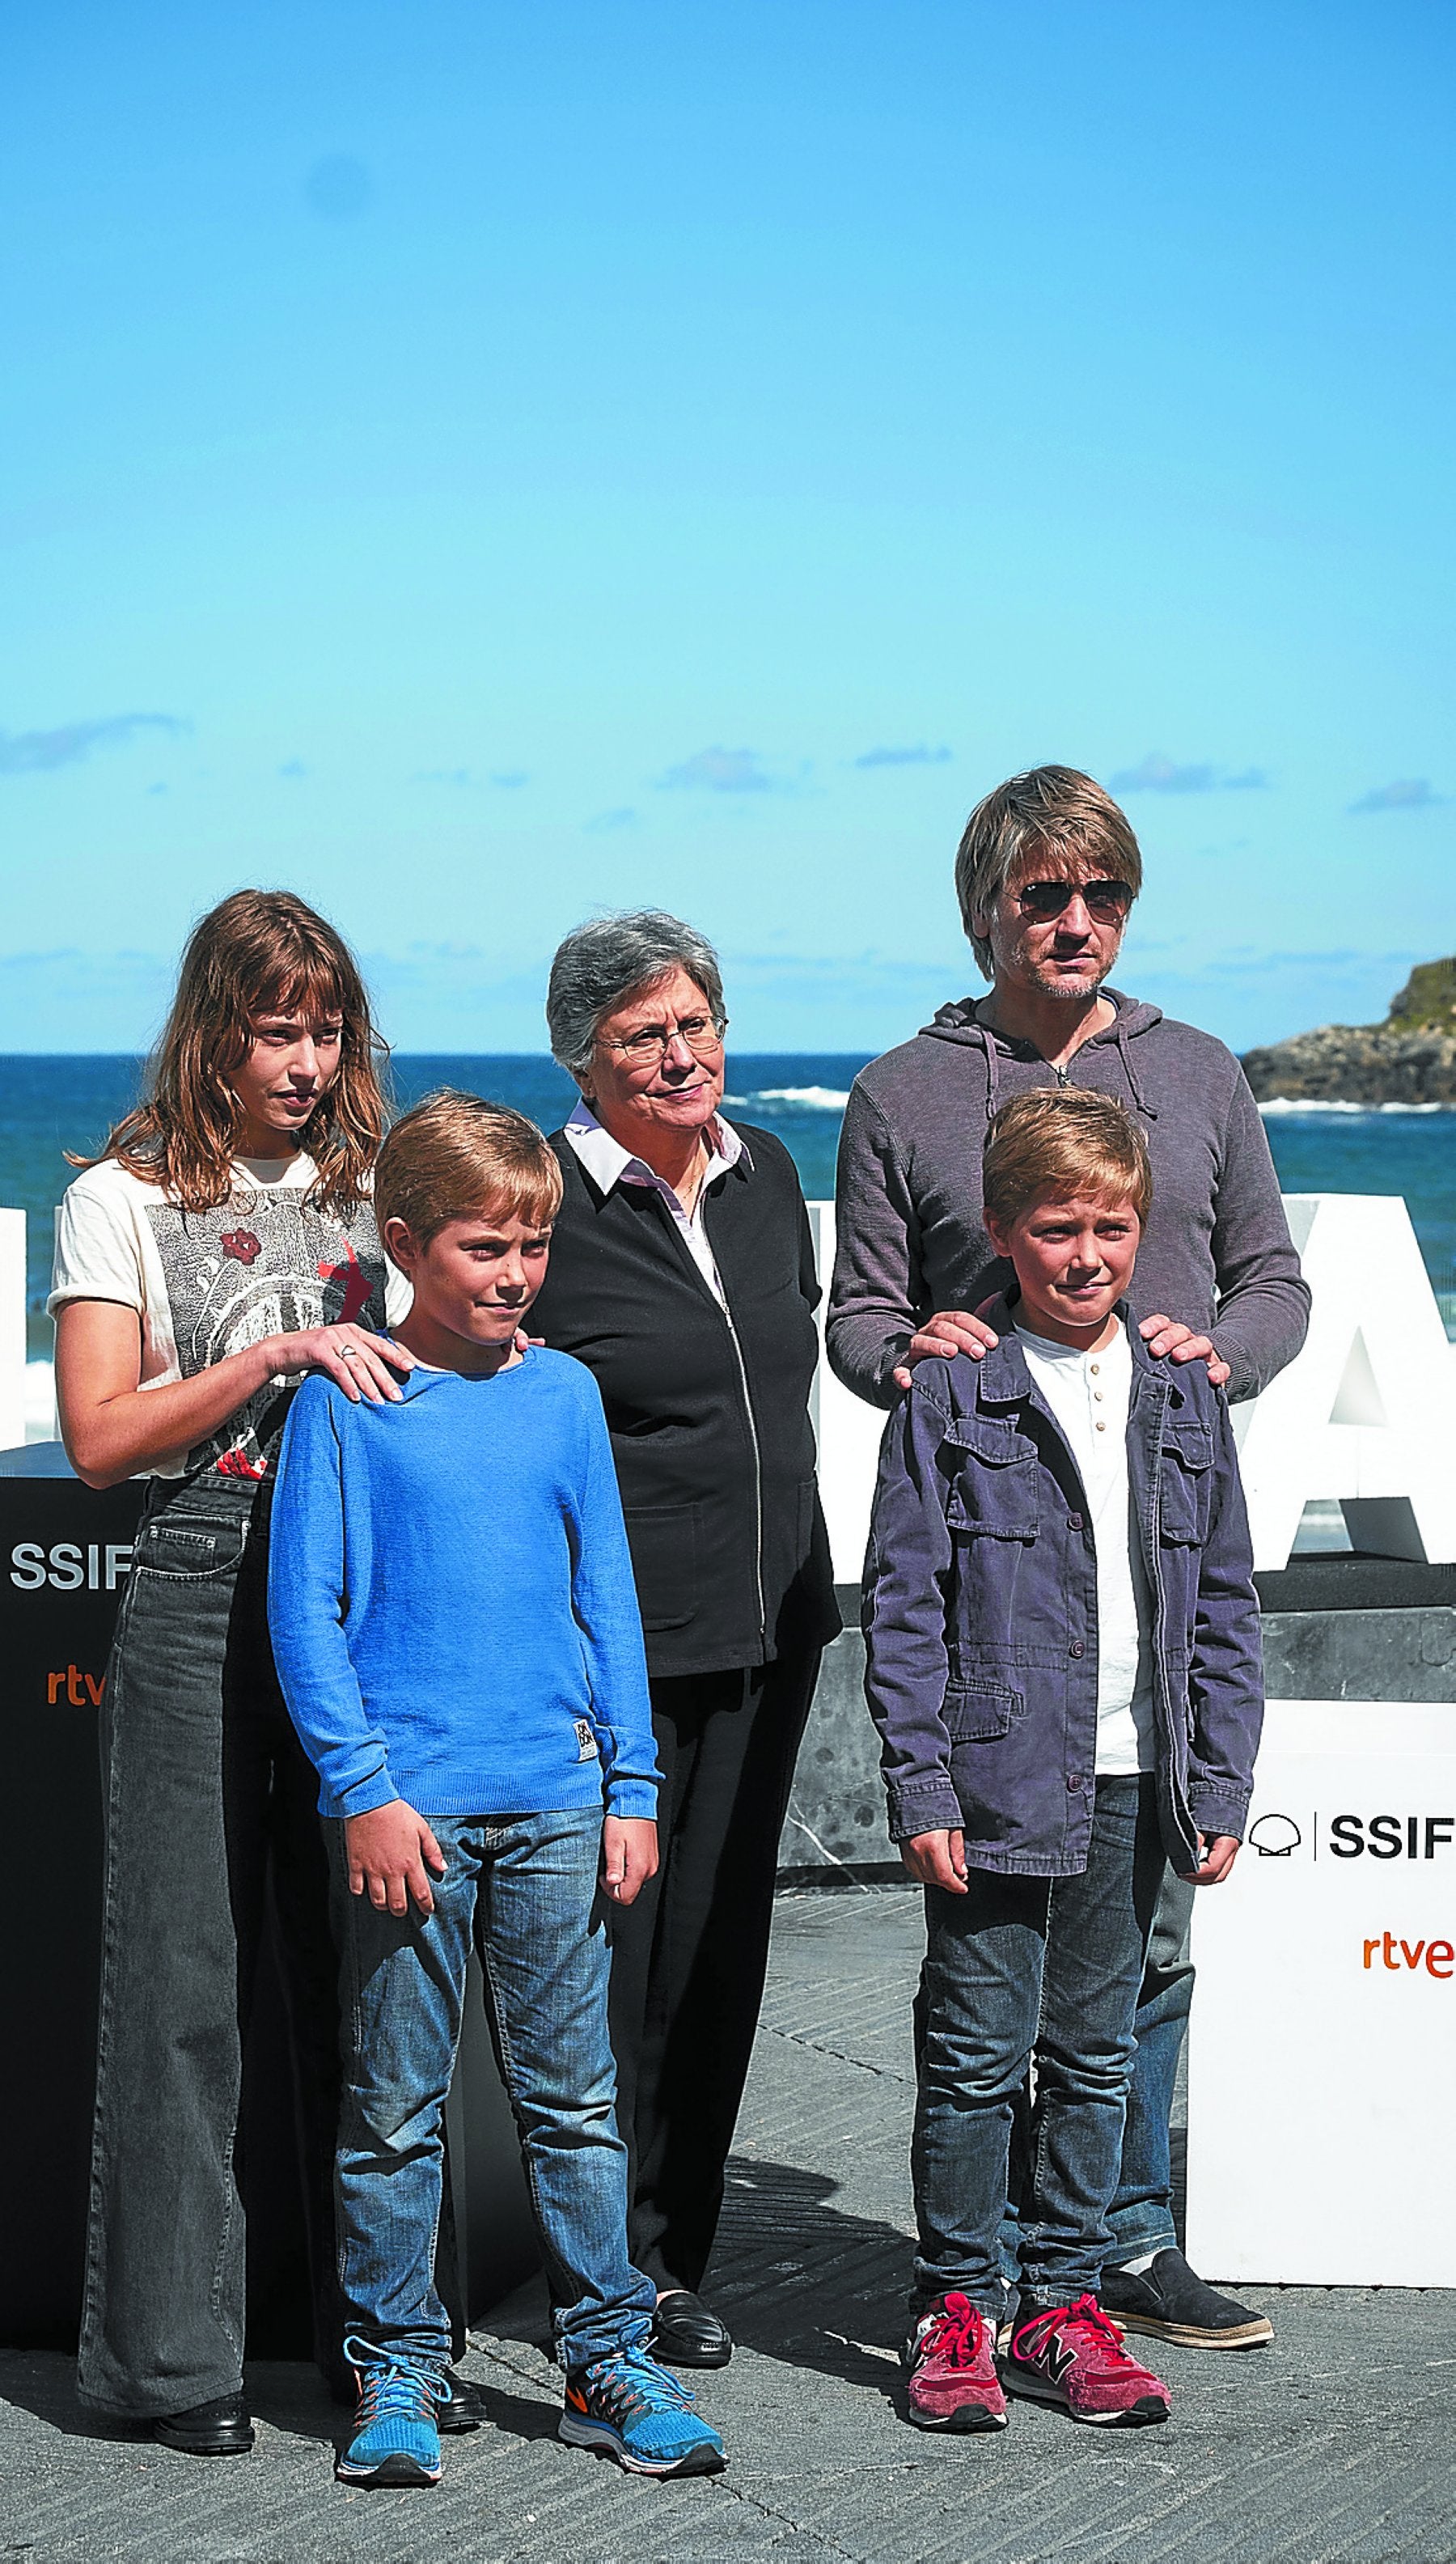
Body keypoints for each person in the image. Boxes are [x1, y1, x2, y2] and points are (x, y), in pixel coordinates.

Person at [831, 766, 1305, 2349]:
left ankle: (1120, 2246)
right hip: (1006, 1559)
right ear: (988, 908)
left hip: (1162, 1517)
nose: (1077, 920)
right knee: (990, 2006)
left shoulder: (1205, 1071)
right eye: (1045, 895)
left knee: (1145, 1960)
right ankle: (994, 2279)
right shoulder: (902, 1090)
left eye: (1101, 894)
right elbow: (858, 1317)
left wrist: (1216, 1357)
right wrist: (918, 1348)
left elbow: (1274, 1283)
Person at [267, 1090, 726, 2487]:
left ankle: (606, 2354)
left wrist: (632, 1787)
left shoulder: (565, 1393)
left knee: (577, 2097)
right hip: (408, 1817)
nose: (517, 1272)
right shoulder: (346, 1404)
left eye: (533, 1243)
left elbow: (608, 1597)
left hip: (558, 1804)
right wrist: (363, 1791)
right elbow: (308, 1612)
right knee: (395, 2105)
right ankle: (396, 2365)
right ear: (406, 1243)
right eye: (485, 1245)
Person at [52, 889, 443, 2455]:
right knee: (183, 1986)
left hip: (364, 1596)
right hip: (203, 1587)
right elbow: (97, 1440)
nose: (303, 1055)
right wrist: (269, 1356)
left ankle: (383, 2345)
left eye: (325, 1023)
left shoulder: (380, 1184)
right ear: (211, 1026)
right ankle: (170, 2363)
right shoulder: (120, 1198)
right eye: (273, 1025)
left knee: (375, 1977)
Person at [866, 1088, 1263, 2432]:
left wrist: (1218, 1777)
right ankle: (957, 2302)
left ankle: (1062, 2298)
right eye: (1054, 1228)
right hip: (991, 1780)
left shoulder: (1180, 1392)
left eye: (1111, 1227)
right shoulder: (951, 1392)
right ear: (999, 1232)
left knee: (1098, 2051)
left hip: (1134, 1777)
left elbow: (1221, 1600)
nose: (1085, 1254)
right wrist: (919, 1783)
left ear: (1142, 1230)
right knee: (976, 2050)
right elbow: (906, 1602)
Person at [529, 913, 840, 2371]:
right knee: (614, 1966)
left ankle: (670, 2259)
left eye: (697, 1021)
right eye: (644, 1033)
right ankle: (600, 2262)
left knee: (721, 1959)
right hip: (620, 1652)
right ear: (583, 1061)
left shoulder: (769, 1171)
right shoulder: (547, 1202)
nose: (680, 1052)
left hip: (776, 1628)